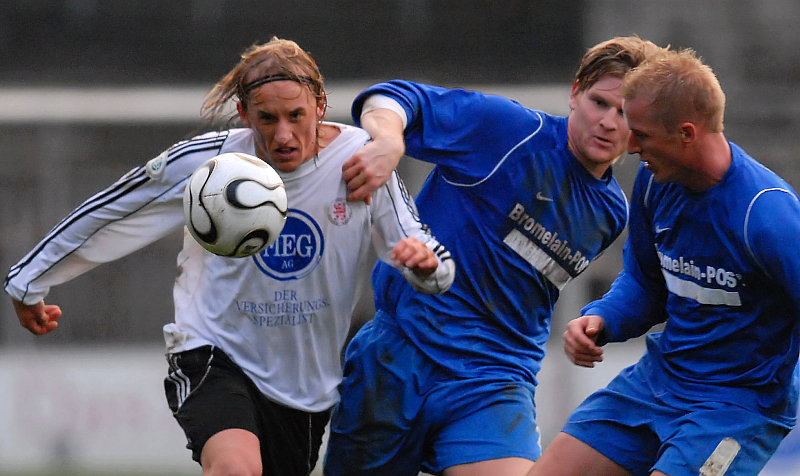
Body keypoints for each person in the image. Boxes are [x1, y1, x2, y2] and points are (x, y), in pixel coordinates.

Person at [4, 37, 455, 476]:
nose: (283, 134)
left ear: (320, 106)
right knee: (236, 468)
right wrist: (28, 281)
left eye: (296, 115)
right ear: (244, 114)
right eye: (267, 118)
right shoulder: (211, 164)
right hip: (213, 351)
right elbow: (111, 209)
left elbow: (423, 250)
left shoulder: (361, 161)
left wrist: (427, 266)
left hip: (306, 386)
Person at [323, 36, 663, 476]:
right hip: (398, 357)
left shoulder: (613, 212)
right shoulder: (508, 130)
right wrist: (389, 141)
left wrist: (597, 320)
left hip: (492, 380)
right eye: (600, 103)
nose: (608, 123)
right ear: (576, 92)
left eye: (625, 113)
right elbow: (393, 98)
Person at [530, 48, 800, 476]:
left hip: (734, 407)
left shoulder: (766, 215)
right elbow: (645, 284)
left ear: (686, 133)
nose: (630, 146)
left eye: (642, 134)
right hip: (658, 382)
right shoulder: (656, 183)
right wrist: (602, 319)